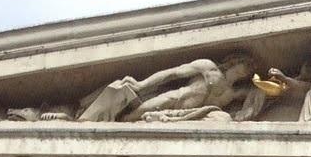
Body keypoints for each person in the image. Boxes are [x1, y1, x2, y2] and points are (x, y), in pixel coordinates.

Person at [77, 54, 269, 123]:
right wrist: (142, 85)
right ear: (235, 61)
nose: (248, 69)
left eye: (250, 68)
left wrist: (267, 88)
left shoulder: (232, 92)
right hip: (172, 100)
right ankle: (91, 118)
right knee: (131, 115)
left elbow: (260, 92)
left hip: (184, 115)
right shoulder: (208, 67)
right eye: (246, 64)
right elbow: (172, 74)